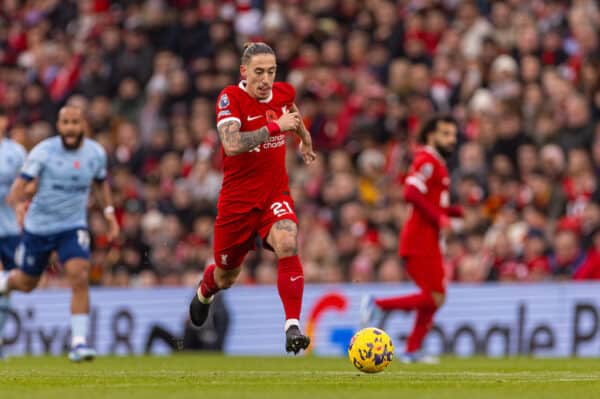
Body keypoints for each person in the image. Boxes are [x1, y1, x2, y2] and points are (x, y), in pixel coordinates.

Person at [188, 42, 316, 354]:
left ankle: (292, 326)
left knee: (288, 241)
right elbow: (231, 145)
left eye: (271, 72)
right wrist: (275, 127)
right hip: (237, 203)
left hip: (274, 194)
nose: (265, 79)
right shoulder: (230, 98)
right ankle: (206, 290)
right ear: (244, 72)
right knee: (226, 275)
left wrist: (305, 141)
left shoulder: (284, 93)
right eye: (258, 72)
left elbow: (294, 116)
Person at [0, 105, 119, 362]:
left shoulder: (95, 153)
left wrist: (109, 213)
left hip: (72, 226)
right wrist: (19, 204)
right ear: (59, 125)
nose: (70, 128)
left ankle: (78, 343)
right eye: (66, 123)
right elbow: (21, 184)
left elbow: (100, 183)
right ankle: (5, 282)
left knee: (79, 275)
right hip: (39, 228)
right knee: (26, 284)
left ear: (83, 124)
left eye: (75, 122)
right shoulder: (43, 152)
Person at [360, 115, 462, 363]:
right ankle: (378, 304)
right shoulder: (426, 160)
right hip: (420, 240)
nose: (452, 140)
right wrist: (440, 219)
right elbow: (411, 192)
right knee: (433, 296)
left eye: (454, 135)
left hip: (429, 240)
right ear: (431, 135)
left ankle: (413, 349)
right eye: (446, 134)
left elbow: (430, 201)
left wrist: (453, 213)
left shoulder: (436, 162)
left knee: (436, 296)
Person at [0, 107, 27, 358]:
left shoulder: (15, 152)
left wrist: (21, 196)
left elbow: (31, 185)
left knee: (7, 286)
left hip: (8, 229)